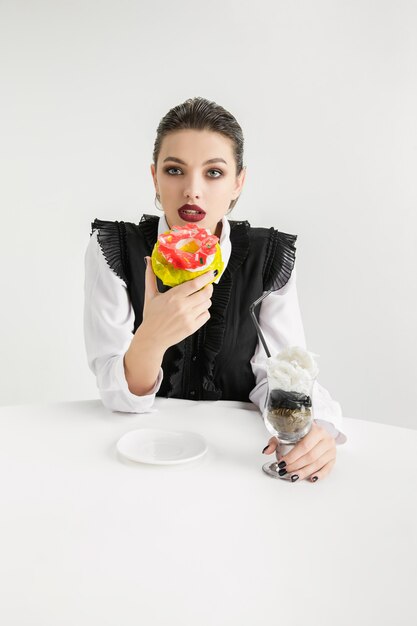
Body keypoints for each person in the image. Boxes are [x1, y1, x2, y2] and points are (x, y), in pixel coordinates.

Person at [83, 96, 346, 483]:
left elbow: (280, 370)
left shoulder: (266, 256)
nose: (192, 190)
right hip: (138, 456)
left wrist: (317, 427)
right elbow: (118, 397)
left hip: (234, 463)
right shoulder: (116, 247)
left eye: (214, 173)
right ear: (154, 176)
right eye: (175, 170)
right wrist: (151, 337)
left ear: (238, 181)